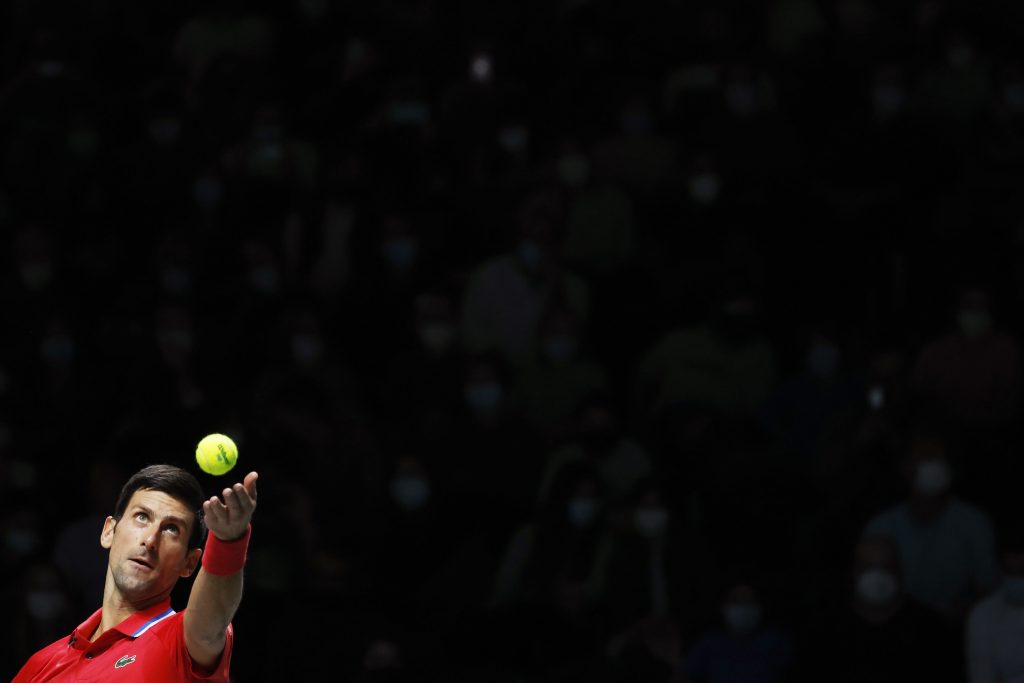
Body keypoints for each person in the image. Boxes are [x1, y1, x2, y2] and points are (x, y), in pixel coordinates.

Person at [12, 463, 258, 682]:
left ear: (190, 563)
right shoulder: (42, 664)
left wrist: (228, 541)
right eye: (142, 517)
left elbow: (210, 621)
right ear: (109, 531)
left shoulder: (181, 642)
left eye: (172, 529)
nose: (151, 540)